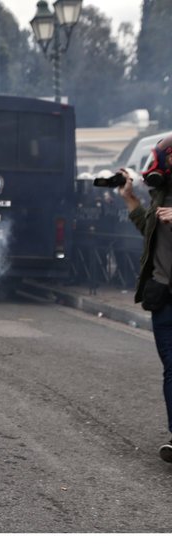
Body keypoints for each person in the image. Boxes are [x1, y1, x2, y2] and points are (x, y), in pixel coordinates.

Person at [117, 135, 172, 463]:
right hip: (162, 298)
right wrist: (130, 199)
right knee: (171, 368)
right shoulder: (159, 196)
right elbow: (149, 232)